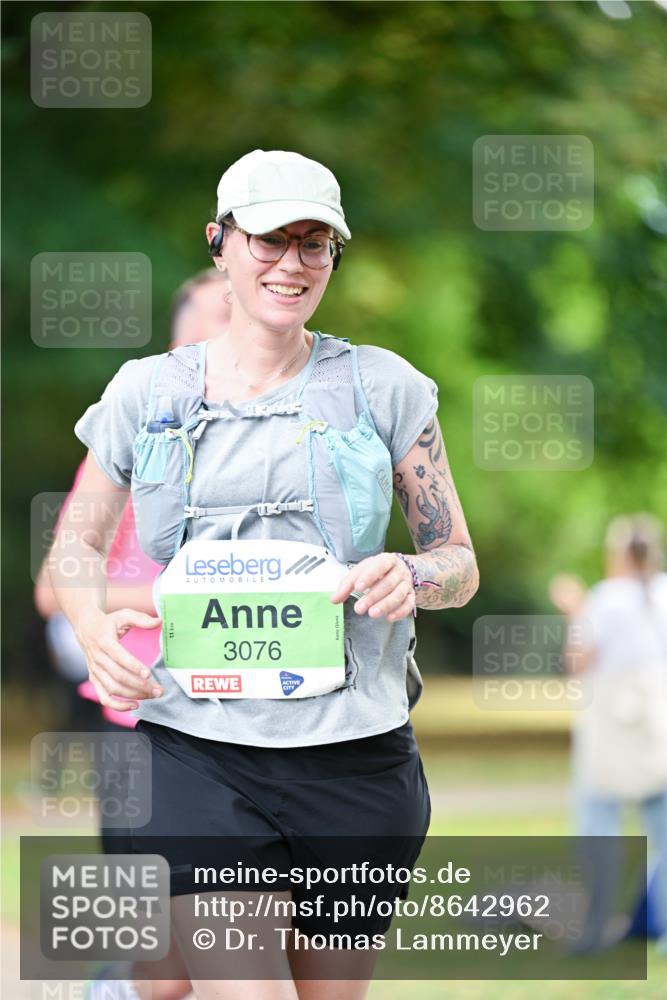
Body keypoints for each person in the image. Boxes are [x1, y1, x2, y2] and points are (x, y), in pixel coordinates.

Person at [49, 149, 479, 1000]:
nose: (292, 263)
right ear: (219, 243)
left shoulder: (383, 389)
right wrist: (93, 628)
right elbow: (76, 547)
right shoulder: (146, 394)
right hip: (196, 753)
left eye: (314, 244)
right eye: (269, 240)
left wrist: (410, 573)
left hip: (357, 764)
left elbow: (458, 562)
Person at [36, 267, 230, 1000]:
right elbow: (55, 587)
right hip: (137, 719)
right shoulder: (132, 437)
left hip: (233, 718)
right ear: (181, 335)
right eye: (221, 311)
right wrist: (169, 594)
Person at [550, 513, 667, 953]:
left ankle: (595, 930)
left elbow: (577, 661)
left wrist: (575, 610)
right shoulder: (663, 593)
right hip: (659, 734)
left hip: (609, 738)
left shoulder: (605, 598)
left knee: (598, 829)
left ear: (618, 553)